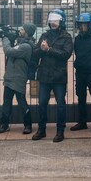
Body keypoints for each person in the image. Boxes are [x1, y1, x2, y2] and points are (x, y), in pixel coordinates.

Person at [32, 9, 73, 143]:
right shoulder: (45, 35)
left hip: (59, 76)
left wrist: (49, 49)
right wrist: (41, 49)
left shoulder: (66, 37)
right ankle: (41, 129)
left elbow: (66, 55)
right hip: (44, 75)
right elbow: (36, 53)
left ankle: (60, 131)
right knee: (42, 103)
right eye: (51, 21)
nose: (53, 24)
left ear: (61, 22)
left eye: (56, 21)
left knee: (60, 104)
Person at [0, 23, 37, 135]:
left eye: (22, 29)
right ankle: (4, 124)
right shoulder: (21, 43)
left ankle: (28, 124)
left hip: (18, 78)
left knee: (22, 102)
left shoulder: (26, 46)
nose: (20, 30)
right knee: (7, 102)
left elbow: (8, 51)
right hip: (10, 77)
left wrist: (5, 38)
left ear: (27, 32)